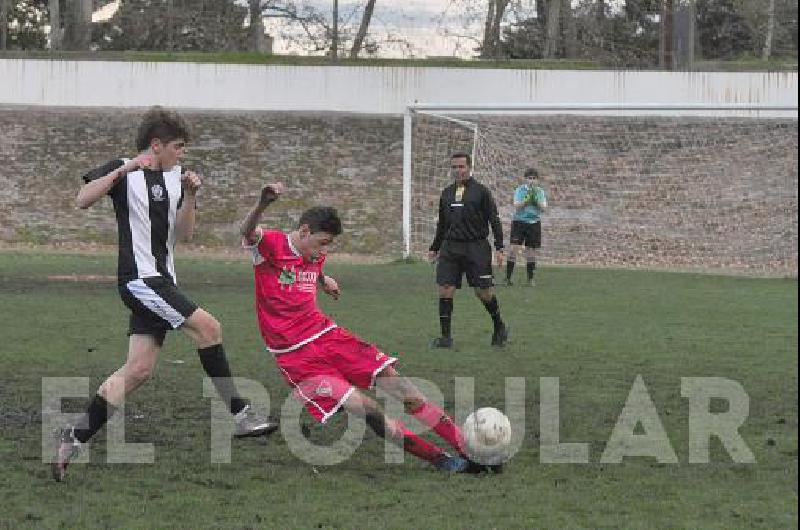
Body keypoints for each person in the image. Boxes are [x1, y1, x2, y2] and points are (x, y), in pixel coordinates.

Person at [52, 107, 277, 482]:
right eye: (177, 146)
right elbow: (82, 199)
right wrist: (124, 170)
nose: (181, 154)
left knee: (138, 370)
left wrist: (190, 196)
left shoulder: (176, 179)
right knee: (209, 328)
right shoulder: (123, 170)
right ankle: (240, 415)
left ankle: (72, 438)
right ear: (155, 145)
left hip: (163, 281)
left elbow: (184, 235)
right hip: (140, 281)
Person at [240, 183, 495, 473]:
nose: (324, 250)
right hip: (297, 357)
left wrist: (323, 280)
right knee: (369, 410)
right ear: (304, 231)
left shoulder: (315, 254)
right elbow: (247, 232)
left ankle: (468, 447)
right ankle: (442, 460)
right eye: (322, 242)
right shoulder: (270, 245)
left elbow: (309, 266)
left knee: (404, 389)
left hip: (328, 336)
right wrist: (262, 205)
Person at [427, 152, 508, 349]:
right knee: (445, 289)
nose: (458, 170)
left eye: (461, 166)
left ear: (469, 167)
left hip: (476, 247)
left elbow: (494, 219)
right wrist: (435, 247)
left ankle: (499, 325)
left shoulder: (481, 191)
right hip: (451, 247)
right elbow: (443, 224)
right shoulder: (446, 193)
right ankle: (445, 338)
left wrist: (499, 247)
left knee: (483, 292)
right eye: (454, 167)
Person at [505, 168, 548, 287]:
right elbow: (517, 206)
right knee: (513, 249)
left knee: (531, 252)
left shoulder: (540, 191)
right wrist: (526, 200)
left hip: (534, 223)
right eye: (529, 178)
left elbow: (544, 208)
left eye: (534, 178)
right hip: (519, 222)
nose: (531, 181)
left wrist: (536, 201)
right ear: (525, 179)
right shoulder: (520, 190)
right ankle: (508, 278)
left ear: (537, 180)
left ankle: (530, 279)